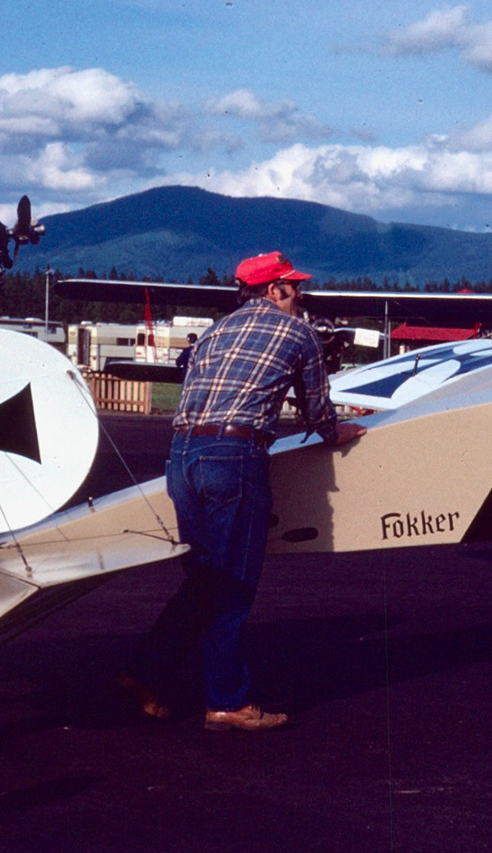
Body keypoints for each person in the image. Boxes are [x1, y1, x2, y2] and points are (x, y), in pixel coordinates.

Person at [122, 251, 361, 731]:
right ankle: (227, 702)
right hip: (234, 458)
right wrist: (339, 431)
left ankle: (144, 675)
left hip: (182, 457)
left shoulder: (215, 330)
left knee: (205, 581)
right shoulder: (300, 334)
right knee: (233, 584)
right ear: (274, 291)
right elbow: (317, 411)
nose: (301, 296)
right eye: (295, 288)